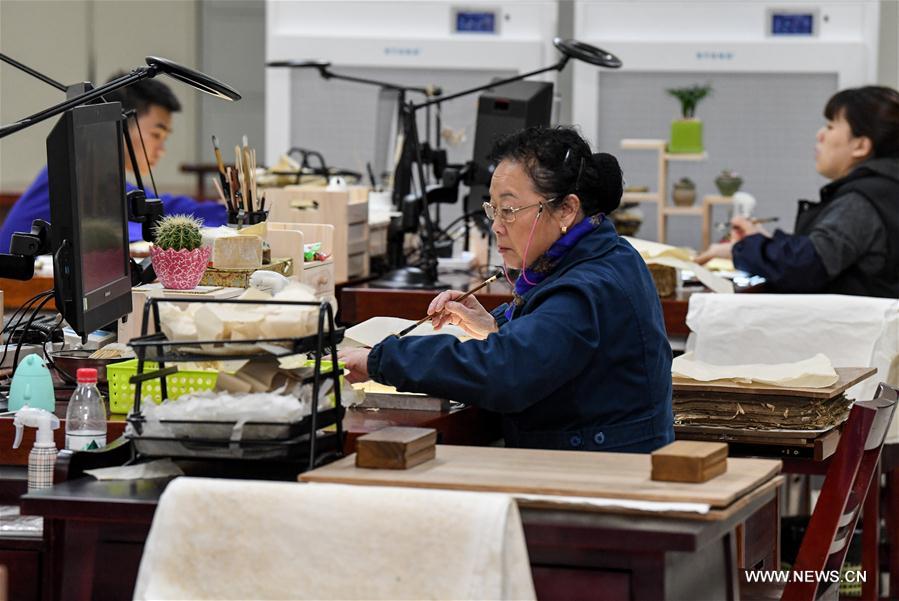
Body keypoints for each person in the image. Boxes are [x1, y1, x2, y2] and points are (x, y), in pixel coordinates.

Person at [340, 126, 674, 453]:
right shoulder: (609, 252)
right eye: (494, 210)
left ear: (567, 209)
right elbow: (550, 341)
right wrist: (498, 325)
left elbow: (505, 372)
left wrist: (381, 360)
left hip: (603, 473)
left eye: (510, 210)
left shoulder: (585, 288)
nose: (497, 226)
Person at [696, 86, 899, 298]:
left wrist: (741, 249)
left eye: (830, 127)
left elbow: (805, 266)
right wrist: (758, 241)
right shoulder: (886, 191)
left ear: (860, 146)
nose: (820, 135)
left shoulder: (861, 202)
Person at [0, 73, 227, 254]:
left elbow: (156, 207)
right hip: (17, 289)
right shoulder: (82, 168)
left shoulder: (100, 169)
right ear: (120, 124)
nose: (162, 149)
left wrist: (225, 213)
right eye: (157, 135)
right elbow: (110, 231)